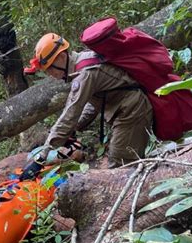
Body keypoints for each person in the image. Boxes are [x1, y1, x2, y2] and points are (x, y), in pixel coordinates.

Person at [21, 33, 153, 177]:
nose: (50, 74)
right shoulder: (83, 64)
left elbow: (70, 113)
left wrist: (41, 158)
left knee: (120, 166)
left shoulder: (85, 74)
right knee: (125, 163)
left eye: (50, 69)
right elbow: (94, 103)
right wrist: (76, 127)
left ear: (61, 58)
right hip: (129, 110)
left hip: (131, 112)